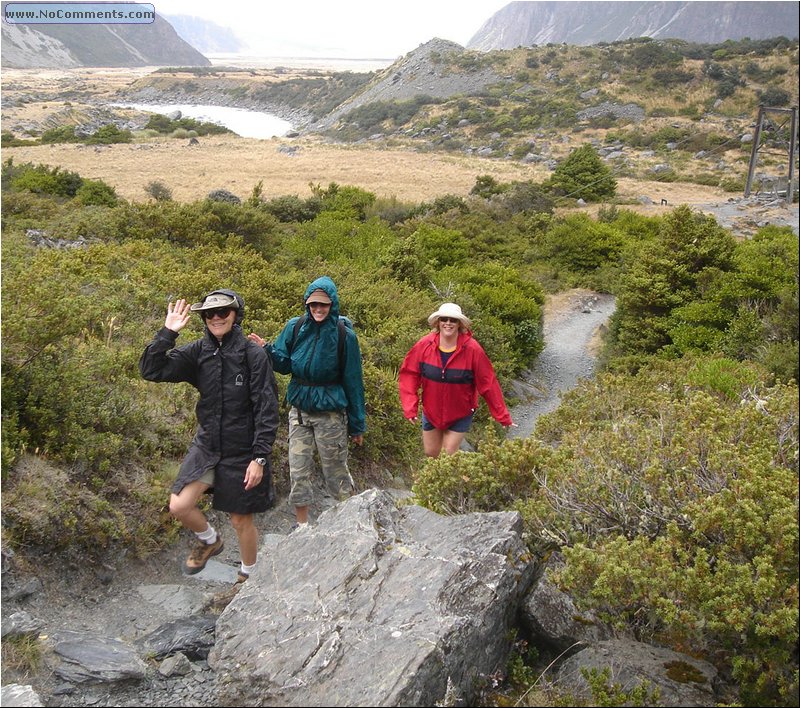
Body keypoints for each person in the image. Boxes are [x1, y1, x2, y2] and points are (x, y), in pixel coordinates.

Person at [139, 289, 279, 583]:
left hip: (243, 449)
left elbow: (267, 408)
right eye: (210, 313)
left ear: (235, 315)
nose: (216, 318)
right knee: (179, 505)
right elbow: (151, 370)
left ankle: (247, 577)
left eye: (223, 312)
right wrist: (168, 333)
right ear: (203, 318)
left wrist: (260, 457)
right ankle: (209, 540)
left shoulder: (253, 355)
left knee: (240, 519)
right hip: (208, 444)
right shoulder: (199, 352)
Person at [249, 276, 366, 528]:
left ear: (333, 304)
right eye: (313, 305)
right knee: (298, 471)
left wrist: (357, 425)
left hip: (331, 414)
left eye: (323, 305)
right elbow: (284, 364)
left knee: (335, 472)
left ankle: (352, 524)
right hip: (300, 412)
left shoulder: (345, 336)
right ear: (307, 304)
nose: (318, 309)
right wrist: (266, 350)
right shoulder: (295, 327)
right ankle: (302, 528)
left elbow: (354, 382)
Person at [398, 302, 514, 457]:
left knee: (448, 455)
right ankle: (454, 479)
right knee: (431, 454)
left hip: (461, 413)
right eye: (444, 319)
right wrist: (410, 407)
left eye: (453, 320)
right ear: (438, 322)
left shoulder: (473, 349)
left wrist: (502, 416)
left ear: (459, 324)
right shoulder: (424, 344)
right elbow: (409, 375)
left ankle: (457, 478)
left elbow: (488, 384)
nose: (448, 323)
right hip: (431, 412)